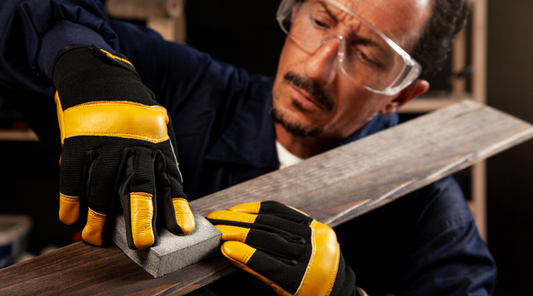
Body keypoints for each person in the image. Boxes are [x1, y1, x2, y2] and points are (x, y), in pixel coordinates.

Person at [0, 0, 496, 295]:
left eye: (366, 54)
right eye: (321, 22)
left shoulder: (433, 215)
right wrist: (83, 59)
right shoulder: (189, 90)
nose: (318, 67)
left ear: (401, 95)